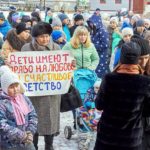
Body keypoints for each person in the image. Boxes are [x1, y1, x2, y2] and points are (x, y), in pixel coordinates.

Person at [94, 41, 150, 150]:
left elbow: (99, 105)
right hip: (131, 140)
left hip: (107, 138)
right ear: (137, 59)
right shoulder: (145, 82)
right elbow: (147, 111)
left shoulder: (109, 79)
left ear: (121, 57)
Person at [21, 22, 61, 150]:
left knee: (50, 121)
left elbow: (61, 68)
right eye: (42, 36)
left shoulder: (56, 48)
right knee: (34, 120)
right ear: (35, 37)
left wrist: (69, 67)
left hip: (51, 93)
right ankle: (35, 145)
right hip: (33, 93)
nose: (45, 39)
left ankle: (49, 146)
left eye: (47, 36)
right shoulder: (26, 49)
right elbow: (21, 68)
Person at [0, 69, 38, 150]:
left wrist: (30, 132)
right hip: (9, 144)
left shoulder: (24, 98)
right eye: (11, 87)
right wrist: (21, 135)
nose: (15, 89)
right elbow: (2, 125)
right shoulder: (2, 103)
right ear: (5, 88)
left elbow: (33, 115)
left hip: (27, 141)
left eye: (17, 85)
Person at [88, 14, 110, 78]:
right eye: (90, 23)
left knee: (100, 74)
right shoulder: (94, 30)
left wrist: (92, 46)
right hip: (95, 55)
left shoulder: (102, 30)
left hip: (101, 56)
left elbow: (105, 45)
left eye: (92, 23)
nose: (91, 25)